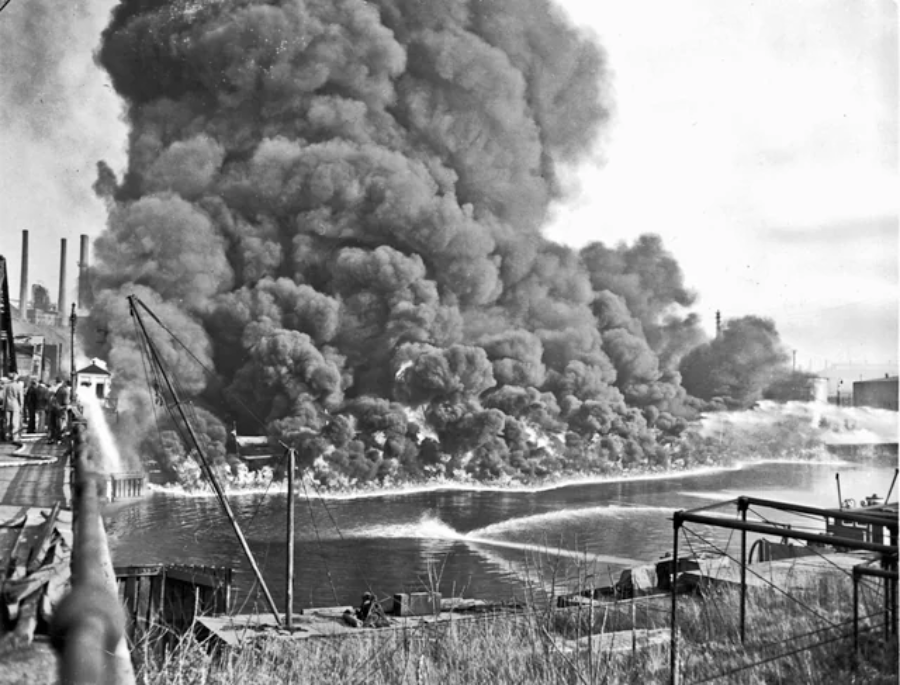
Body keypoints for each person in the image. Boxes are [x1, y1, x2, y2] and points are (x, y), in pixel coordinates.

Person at [3, 373, 24, 443]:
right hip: (15, 406)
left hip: (7, 405)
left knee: (7, 421)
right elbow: (20, 398)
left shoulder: (6, 386)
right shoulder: (19, 386)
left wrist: (4, 406)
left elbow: (4, 397)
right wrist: (21, 407)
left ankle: (7, 435)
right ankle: (14, 437)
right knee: (15, 422)